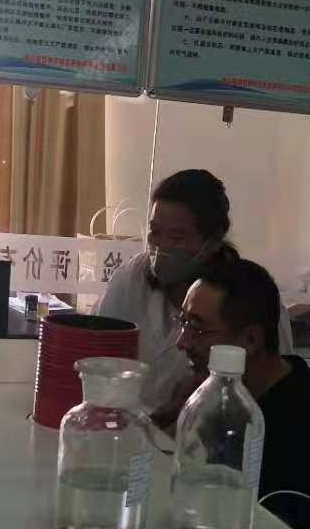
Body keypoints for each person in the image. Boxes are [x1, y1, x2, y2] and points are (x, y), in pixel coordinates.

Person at [98, 169, 292, 424]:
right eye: (155, 232)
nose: (161, 246)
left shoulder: (251, 299)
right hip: (131, 430)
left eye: (177, 237)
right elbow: (97, 358)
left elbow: (273, 388)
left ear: (213, 241)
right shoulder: (129, 281)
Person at [175, 258, 310, 529]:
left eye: (196, 329)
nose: (182, 342)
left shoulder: (301, 428)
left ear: (250, 340)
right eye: (183, 323)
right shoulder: (222, 399)